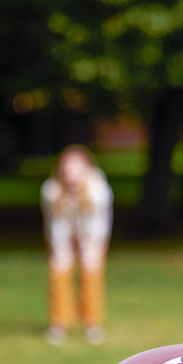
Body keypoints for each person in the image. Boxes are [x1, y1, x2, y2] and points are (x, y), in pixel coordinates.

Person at [40, 144, 113, 345]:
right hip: (62, 236)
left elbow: (98, 223)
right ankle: (59, 323)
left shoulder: (98, 190)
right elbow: (56, 223)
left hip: (92, 236)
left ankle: (92, 323)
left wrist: (86, 244)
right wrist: (64, 246)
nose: (71, 174)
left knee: (91, 274)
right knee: (59, 271)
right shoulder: (51, 190)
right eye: (67, 168)